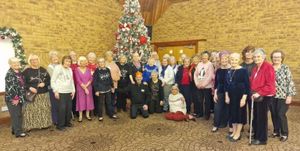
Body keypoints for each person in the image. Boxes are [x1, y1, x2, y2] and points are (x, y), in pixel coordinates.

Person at [250, 48, 276, 145]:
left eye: (258, 56)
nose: (256, 58)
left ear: (264, 57)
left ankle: (262, 139)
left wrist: (259, 92)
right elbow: (252, 81)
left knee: (261, 118)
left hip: (264, 96)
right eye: (255, 57)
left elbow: (270, 85)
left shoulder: (268, 67)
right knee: (256, 117)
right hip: (256, 95)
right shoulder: (256, 67)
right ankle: (257, 134)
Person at [269, 50, 296, 142]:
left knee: (281, 114)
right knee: (273, 113)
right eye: (274, 57)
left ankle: (284, 133)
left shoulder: (285, 68)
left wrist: (290, 95)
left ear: (281, 58)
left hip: (283, 95)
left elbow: (290, 82)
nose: (276, 58)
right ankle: (276, 131)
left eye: (278, 57)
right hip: (271, 95)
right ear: (272, 58)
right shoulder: (269, 68)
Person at [23, 54, 52, 131]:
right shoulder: (26, 71)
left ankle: (44, 124)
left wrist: (44, 83)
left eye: (36, 59)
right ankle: (30, 125)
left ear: (38, 60)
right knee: (31, 111)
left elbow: (49, 80)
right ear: (30, 61)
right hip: (32, 94)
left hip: (43, 93)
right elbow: (22, 83)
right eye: (32, 60)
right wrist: (30, 87)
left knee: (43, 109)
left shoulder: (43, 69)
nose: (34, 61)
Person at [225, 53, 249, 142]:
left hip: (240, 96)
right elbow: (226, 85)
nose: (233, 61)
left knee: (239, 114)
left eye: (235, 59)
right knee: (232, 114)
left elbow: (247, 86)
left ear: (238, 60)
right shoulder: (228, 70)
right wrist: (227, 96)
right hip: (231, 96)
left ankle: (238, 133)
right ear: (230, 60)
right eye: (232, 59)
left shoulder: (243, 71)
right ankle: (234, 132)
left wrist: (244, 98)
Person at [51, 56, 75, 131]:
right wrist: (55, 91)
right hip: (61, 92)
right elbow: (53, 80)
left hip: (69, 91)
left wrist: (73, 90)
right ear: (63, 61)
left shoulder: (70, 69)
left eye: (69, 61)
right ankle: (60, 125)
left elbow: (71, 81)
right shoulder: (58, 68)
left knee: (68, 108)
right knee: (62, 109)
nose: (68, 63)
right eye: (66, 61)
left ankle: (67, 122)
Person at [5, 57, 27, 137]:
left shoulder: (19, 72)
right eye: (14, 63)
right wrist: (16, 98)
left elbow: (22, 85)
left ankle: (15, 130)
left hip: (20, 98)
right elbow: (10, 87)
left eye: (17, 63)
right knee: (16, 115)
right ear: (10, 65)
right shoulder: (10, 74)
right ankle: (18, 132)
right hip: (13, 99)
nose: (16, 64)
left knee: (18, 114)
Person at [211, 51, 231, 132]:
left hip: (229, 92)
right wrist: (215, 93)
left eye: (226, 59)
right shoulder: (218, 70)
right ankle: (216, 124)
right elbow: (216, 83)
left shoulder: (231, 69)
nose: (224, 60)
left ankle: (225, 123)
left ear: (228, 59)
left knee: (227, 108)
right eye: (222, 59)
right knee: (217, 108)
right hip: (219, 91)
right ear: (220, 60)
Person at [194, 51, 215, 120]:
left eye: (206, 57)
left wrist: (203, 84)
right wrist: (197, 83)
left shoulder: (210, 64)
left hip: (207, 87)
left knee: (207, 101)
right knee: (199, 100)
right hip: (198, 86)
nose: (204, 58)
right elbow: (195, 74)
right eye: (203, 57)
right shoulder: (199, 64)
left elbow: (210, 76)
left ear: (208, 57)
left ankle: (207, 115)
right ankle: (200, 113)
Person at [240, 46, 256, 130]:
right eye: (247, 52)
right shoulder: (241, 65)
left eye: (251, 52)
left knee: (252, 109)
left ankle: (252, 126)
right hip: (242, 91)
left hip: (252, 91)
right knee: (241, 108)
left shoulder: (256, 65)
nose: (249, 54)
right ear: (244, 53)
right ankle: (241, 125)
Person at [75, 56, 94, 122]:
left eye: (85, 61)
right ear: (79, 62)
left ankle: (87, 115)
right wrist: (84, 87)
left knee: (88, 100)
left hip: (88, 87)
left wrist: (87, 86)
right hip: (80, 88)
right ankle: (80, 116)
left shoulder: (89, 69)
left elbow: (91, 78)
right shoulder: (76, 69)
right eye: (82, 61)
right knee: (81, 101)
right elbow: (78, 79)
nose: (83, 62)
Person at [47, 50, 60, 125]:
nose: (55, 58)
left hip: (62, 88)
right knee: (55, 105)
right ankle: (55, 120)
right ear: (50, 59)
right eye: (53, 57)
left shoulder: (61, 65)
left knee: (61, 104)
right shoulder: (50, 67)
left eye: (56, 56)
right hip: (53, 89)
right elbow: (53, 78)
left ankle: (61, 118)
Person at [69, 51, 79, 118]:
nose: (73, 57)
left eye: (74, 55)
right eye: (72, 55)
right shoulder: (68, 65)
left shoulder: (79, 64)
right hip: (71, 84)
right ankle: (72, 112)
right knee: (72, 98)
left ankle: (78, 111)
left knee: (78, 98)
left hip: (79, 84)